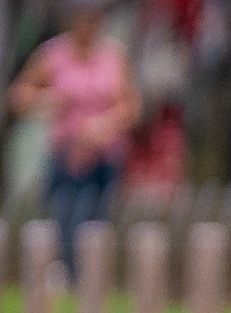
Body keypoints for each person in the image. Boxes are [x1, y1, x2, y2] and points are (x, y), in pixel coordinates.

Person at [9, 0, 140, 275]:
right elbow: (18, 96)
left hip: (104, 156)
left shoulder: (113, 56)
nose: (89, 25)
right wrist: (49, 100)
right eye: (84, 18)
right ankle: (65, 275)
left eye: (94, 19)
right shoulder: (54, 54)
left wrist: (105, 125)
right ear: (72, 20)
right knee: (65, 221)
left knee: (97, 224)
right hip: (66, 155)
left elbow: (132, 106)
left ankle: (92, 279)